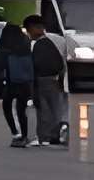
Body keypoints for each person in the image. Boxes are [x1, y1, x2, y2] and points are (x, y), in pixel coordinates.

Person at [27, 12, 70, 146]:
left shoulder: (39, 45)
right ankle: (56, 134)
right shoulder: (54, 41)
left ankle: (47, 136)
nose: (29, 33)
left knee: (44, 110)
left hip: (43, 80)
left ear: (37, 28)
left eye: (29, 30)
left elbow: (36, 64)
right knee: (56, 108)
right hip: (55, 80)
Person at [0, 17, 36, 141]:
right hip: (25, 82)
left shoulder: (5, 48)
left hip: (11, 82)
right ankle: (24, 135)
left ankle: (14, 132)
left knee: (7, 106)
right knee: (21, 110)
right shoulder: (26, 43)